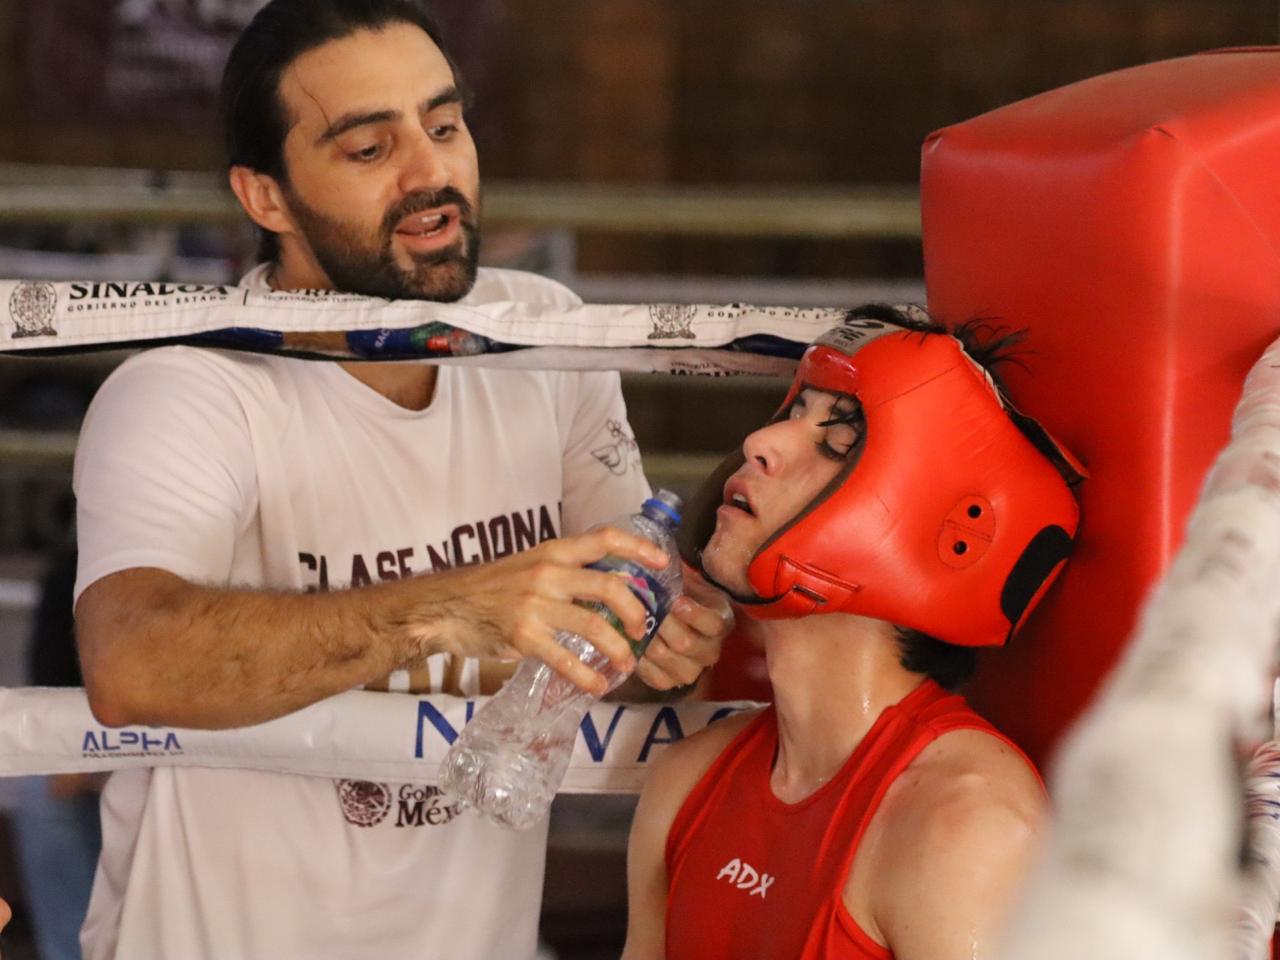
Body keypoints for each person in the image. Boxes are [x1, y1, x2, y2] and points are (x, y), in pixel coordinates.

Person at [71, 2, 731, 958]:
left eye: (445, 125)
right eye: (370, 149)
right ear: (266, 197)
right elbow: (131, 664)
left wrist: (660, 631)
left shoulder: (542, 339)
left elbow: (624, 641)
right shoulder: (190, 389)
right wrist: (452, 609)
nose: (431, 173)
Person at [624, 305, 1084, 960]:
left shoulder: (961, 826)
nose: (760, 442)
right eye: (791, 413)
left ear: (938, 524)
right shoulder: (687, 780)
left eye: (837, 441)